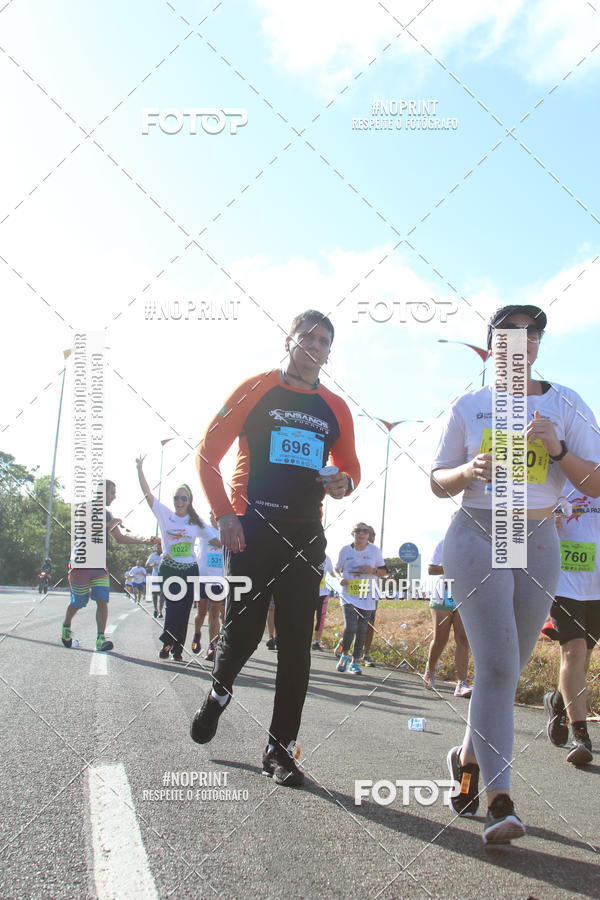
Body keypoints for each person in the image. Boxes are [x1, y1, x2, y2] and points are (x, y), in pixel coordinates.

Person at [431, 304, 600, 844]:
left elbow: (594, 482)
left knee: (505, 672)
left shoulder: (566, 402)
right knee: (500, 664)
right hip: (480, 531)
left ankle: (464, 758)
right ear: (493, 346)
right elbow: (437, 480)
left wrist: (558, 449)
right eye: (508, 335)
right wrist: (467, 470)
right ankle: (499, 801)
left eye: (530, 335)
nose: (520, 343)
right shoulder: (472, 404)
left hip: (538, 536)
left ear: (538, 347)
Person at [191, 309, 360, 787]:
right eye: (307, 336)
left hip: (306, 533)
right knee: (241, 636)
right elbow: (207, 453)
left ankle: (280, 747)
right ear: (290, 340)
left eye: (324, 341)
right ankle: (218, 696)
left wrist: (342, 483)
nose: (315, 346)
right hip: (251, 528)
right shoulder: (256, 387)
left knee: (295, 646)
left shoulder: (336, 407)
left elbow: (351, 470)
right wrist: (225, 514)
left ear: (330, 352)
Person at [544, 483, 600, 766]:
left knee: (583, 658)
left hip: (597, 585)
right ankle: (581, 736)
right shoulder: (558, 478)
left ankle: (557, 701)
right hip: (566, 583)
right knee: (574, 653)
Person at [61, 480, 154, 651]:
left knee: (102, 600)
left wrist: (144, 541)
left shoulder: (107, 514)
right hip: (80, 563)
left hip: (98, 566)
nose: (115, 496)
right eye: (112, 493)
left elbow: (119, 538)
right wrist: (109, 525)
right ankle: (66, 625)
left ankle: (100, 639)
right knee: (79, 602)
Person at [137, 458, 207, 662]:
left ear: (189, 500)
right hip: (170, 569)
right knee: (172, 607)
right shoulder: (164, 514)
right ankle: (167, 642)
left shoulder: (196, 522)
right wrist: (139, 469)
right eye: (177, 497)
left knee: (184, 610)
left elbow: (215, 537)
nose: (179, 501)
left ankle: (177, 648)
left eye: (184, 498)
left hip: (190, 570)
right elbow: (148, 495)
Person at [423, 535, 472, 698]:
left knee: (463, 639)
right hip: (443, 593)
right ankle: (430, 669)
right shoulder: (443, 543)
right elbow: (431, 569)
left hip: (464, 593)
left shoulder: (475, 543)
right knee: (440, 638)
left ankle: (462, 682)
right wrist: (454, 568)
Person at [335, 523, 386, 675]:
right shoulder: (345, 550)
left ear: (369, 535)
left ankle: (355, 662)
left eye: (365, 531)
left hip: (367, 594)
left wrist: (374, 571)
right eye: (358, 530)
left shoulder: (374, 551)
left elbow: (383, 571)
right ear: (353, 533)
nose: (362, 533)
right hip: (349, 593)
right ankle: (344, 655)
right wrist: (339, 578)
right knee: (351, 627)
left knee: (362, 630)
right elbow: (337, 569)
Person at [191, 512, 224, 658]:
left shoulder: (227, 532)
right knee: (202, 612)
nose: (213, 517)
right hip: (202, 577)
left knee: (215, 612)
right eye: (211, 514)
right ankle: (197, 634)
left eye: (215, 515)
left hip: (218, 578)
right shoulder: (204, 529)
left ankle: (212, 645)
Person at [361, 525, 385, 667]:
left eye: (374, 534)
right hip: (356, 589)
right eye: (370, 534)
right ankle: (344, 643)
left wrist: (377, 572)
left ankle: (366, 654)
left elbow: (381, 570)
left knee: (370, 623)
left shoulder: (376, 552)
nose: (373, 537)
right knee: (356, 622)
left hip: (372, 591)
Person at [312, 554, 334, 650]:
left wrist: (343, 574)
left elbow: (332, 573)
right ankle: (304, 639)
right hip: (310, 593)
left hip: (323, 593)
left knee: (320, 619)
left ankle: (316, 642)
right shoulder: (310, 555)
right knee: (307, 618)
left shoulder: (327, 559)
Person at [146, 543, 164, 618]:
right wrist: (152, 565)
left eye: (160, 548)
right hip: (155, 577)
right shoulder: (153, 555)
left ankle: (160, 611)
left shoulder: (165, 554)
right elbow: (146, 564)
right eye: (158, 548)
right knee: (155, 594)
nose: (159, 549)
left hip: (163, 577)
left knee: (162, 595)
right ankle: (155, 609)